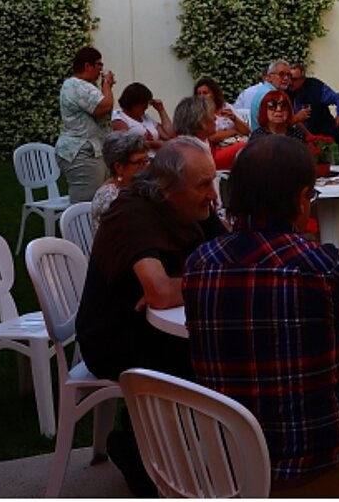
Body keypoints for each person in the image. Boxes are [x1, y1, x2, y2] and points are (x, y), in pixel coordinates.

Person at [183, 136, 339, 496]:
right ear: (302, 199)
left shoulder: (199, 263)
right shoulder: (321, 266)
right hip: (314, 466)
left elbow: (258, 330)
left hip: (228, 463)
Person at [75, 137, 227, 495]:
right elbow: (158, 292)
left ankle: (156, 448)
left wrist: (190, 282)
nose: (213, 195)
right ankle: (145, 456)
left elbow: (235, 261)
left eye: (213, 181)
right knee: (205, 361)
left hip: (158, 329)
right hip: (114, 337)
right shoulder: (131, 212)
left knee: (227, 348)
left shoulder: (193, 211)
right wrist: (200, 282)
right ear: (165, 188)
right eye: (203, 184)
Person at [55, 46, 115, 204]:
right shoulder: (76, 86)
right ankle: (77, 229)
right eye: (99, 65)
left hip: (90, 150)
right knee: (85, 203)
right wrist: (107, 84)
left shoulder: (83, 86)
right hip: (81, 152)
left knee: (96, 200)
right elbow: (104, 106)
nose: (101, 70)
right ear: (87, 66)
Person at [88, 130, 150, 235]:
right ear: (119, 167)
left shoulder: (136, 186)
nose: (145, 167)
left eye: (146, 161)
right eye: (139, 162)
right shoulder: (109, 197)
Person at [288, 61, 339, 163]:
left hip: (321, 127)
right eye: (289, 78)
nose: (290, 82)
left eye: (294, 79)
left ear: (303, 79)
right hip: (297, 132)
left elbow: (338, 98)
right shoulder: (285, 91)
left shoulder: (315, 87)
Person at [193, 76, 248, 170]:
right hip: (214, 152)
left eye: (205, 93)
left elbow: (246, 131)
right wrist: (234, 131)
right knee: (245, 148)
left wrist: (234, 119)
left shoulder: (226, 107)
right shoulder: (199, 113)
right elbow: (212, 137)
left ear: (214, 94)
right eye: (199, 94)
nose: (202, 97)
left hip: (233, 143)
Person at [111, 82, 175, 150]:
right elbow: (125, 143)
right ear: (134, 102)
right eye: (144, 104)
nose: (146, 107)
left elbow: (168, 135)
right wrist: (152, 144)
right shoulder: (119, 117)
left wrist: (161, 110)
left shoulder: (146, 118)